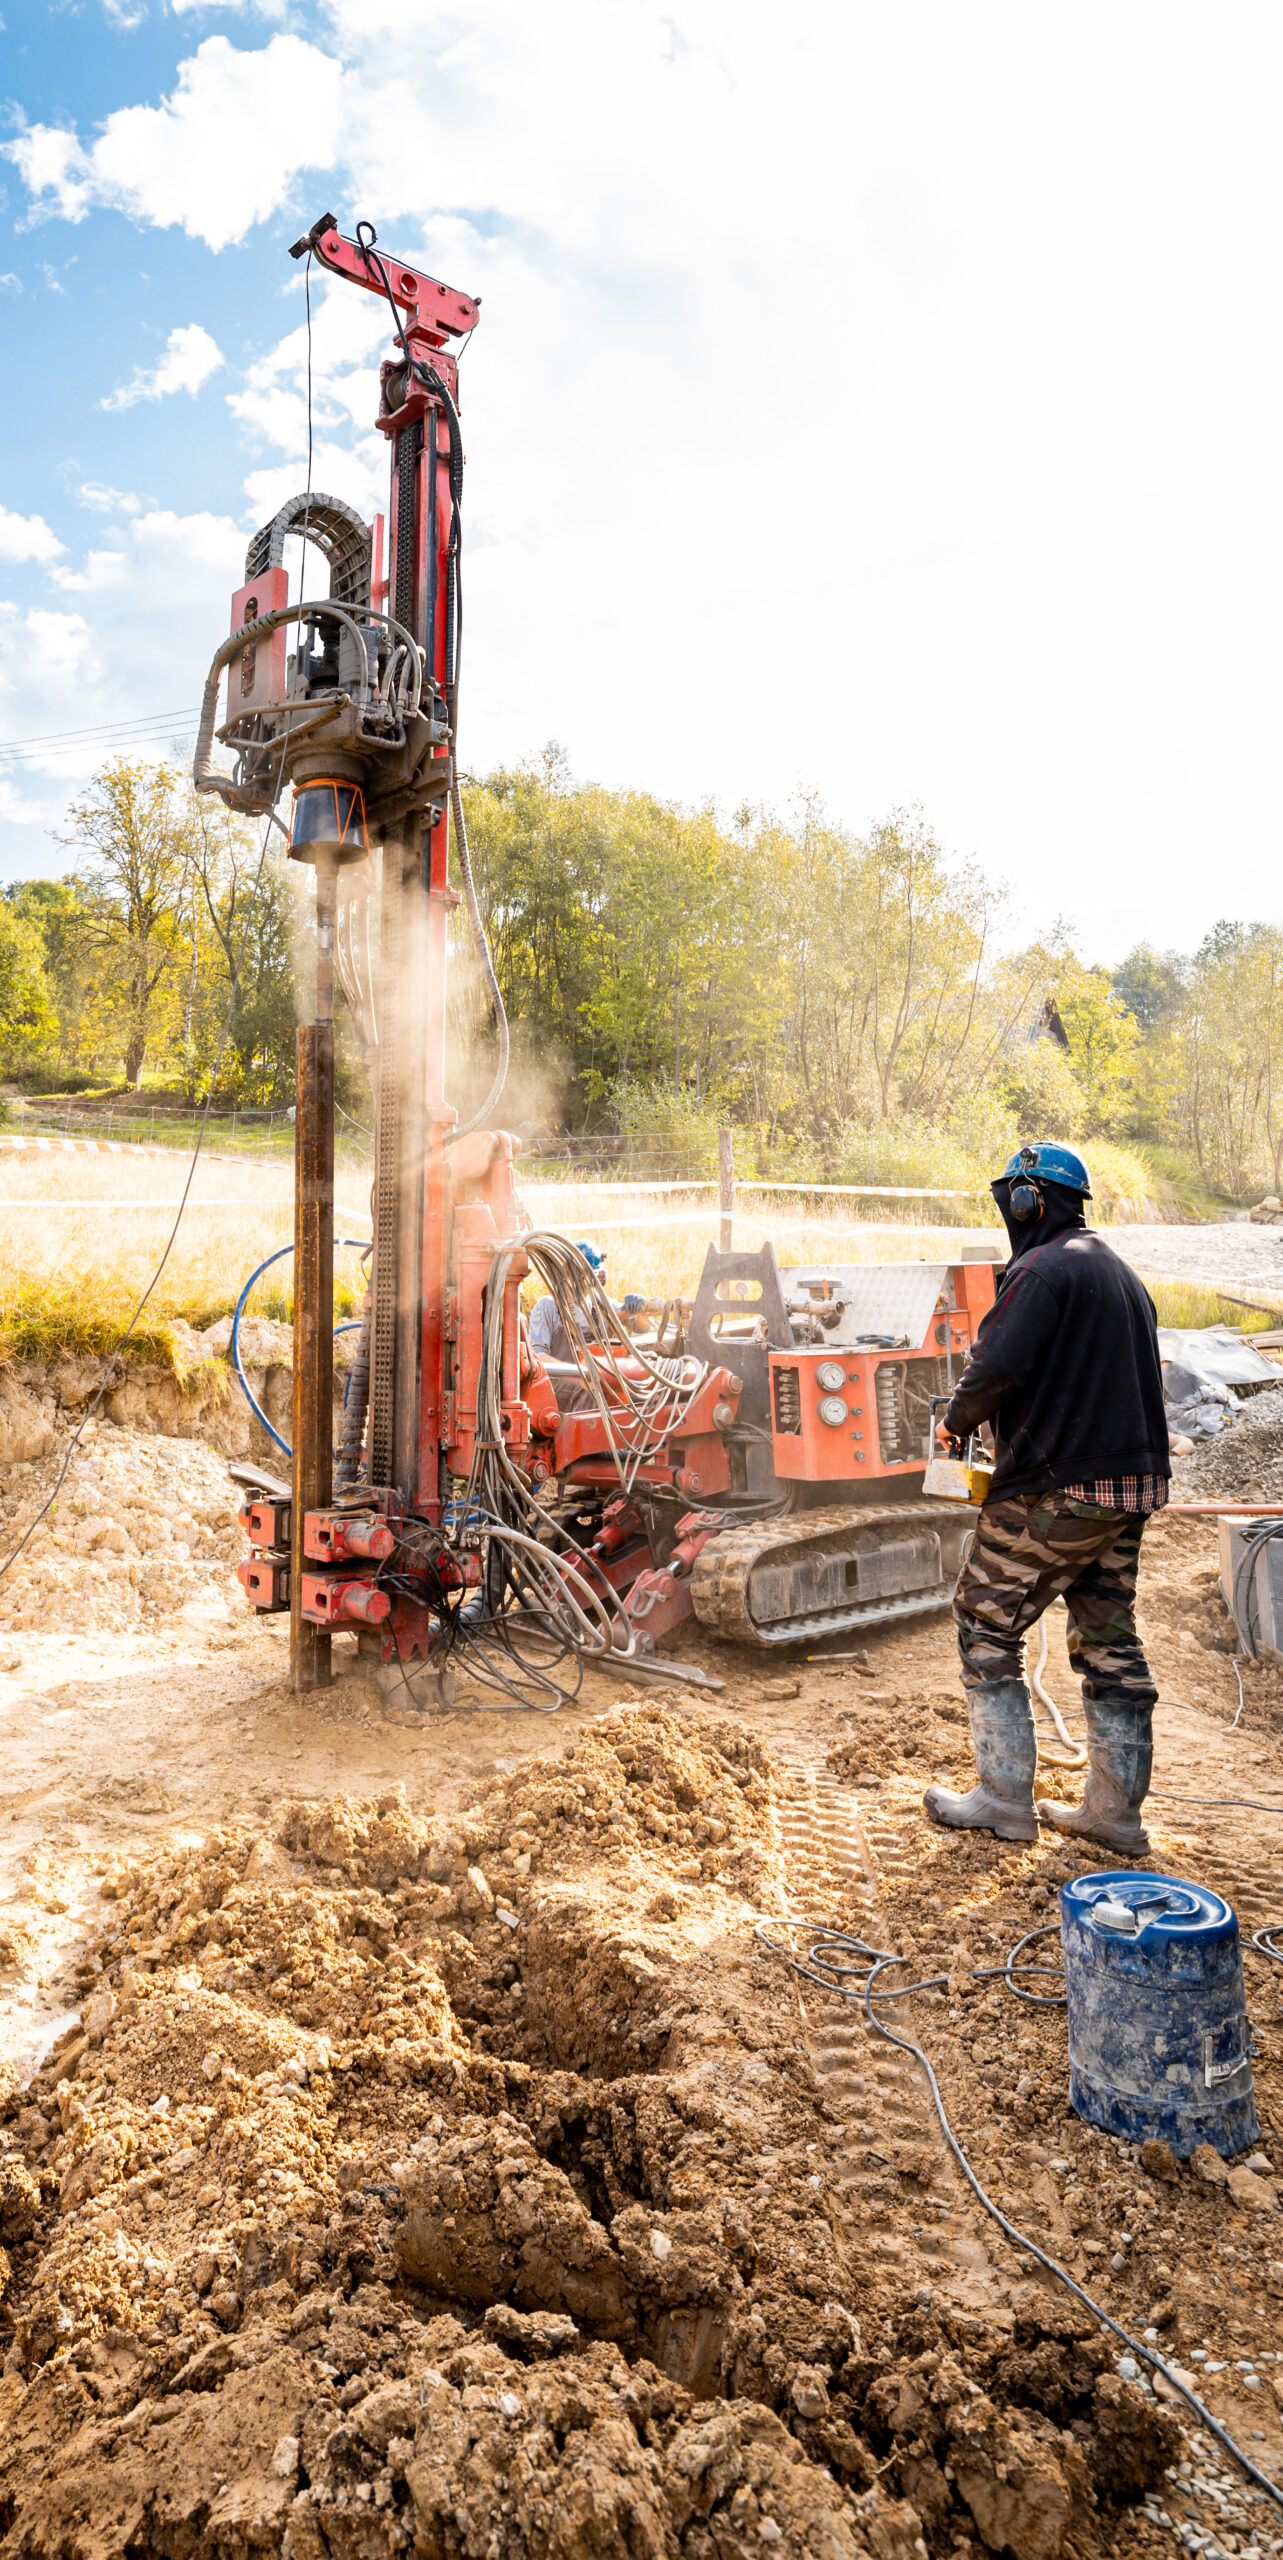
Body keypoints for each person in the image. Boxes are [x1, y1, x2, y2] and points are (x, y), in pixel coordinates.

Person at [922, 1142, 1170, 1854]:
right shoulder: (1117, 1272)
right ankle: (1113, 1817)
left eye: (1009, 1196)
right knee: (1108, 1642)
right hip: (1128, 1487)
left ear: (1027, 1200)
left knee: (984, 1620)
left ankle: (1003, 1800)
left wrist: (953, 1424)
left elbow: (994, 1366)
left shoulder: (1038, 1270)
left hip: (1057, 1485)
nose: (1007, 1209)